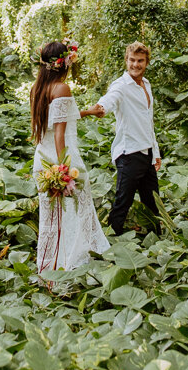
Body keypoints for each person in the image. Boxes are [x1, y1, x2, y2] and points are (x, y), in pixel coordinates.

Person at [31, 40, 110, 274]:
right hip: (60, 161)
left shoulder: (38, 89)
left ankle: (48, 266)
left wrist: (89, 111)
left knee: (50, 219)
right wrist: (62, 169)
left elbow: (59, 118)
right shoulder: (61, 89)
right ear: (64, 62)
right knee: (71, 214)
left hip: (42, 161)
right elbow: (59, 133)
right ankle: (66, 266)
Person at [83, 41, 161, 235]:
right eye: (132, 60)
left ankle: (157, 240)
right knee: (122, 203)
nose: (136, 65)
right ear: (126, 61)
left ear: (146, 62)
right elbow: (110, 99)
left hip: (147, 152)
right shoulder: (121, 85)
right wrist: (100, 108)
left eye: (140, 61)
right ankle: (109, 243)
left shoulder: (146, 84)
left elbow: (148, 123)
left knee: (152, 202)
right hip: (129, 154)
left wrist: (155, 153)